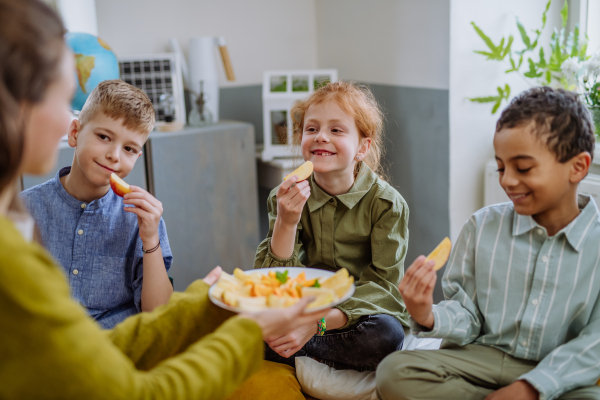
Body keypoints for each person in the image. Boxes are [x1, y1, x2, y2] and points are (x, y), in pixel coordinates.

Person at [0, 0, 328, 398]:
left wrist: (203, 303)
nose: (113, 156)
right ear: (21, 107)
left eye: (130, 149)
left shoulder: (27, 223)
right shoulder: (15, 239)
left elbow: (108, 344)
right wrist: (246, 331)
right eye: (61, 96)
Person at [377, 87, 600, 400]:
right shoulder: (481, 227)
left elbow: (594, 343)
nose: (507, 180)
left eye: (522, 168)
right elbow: (467, 315)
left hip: (556, 370)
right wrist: (427, 314)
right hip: (480, 359)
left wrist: (532, 389)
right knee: (394, 372)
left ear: (578, 167)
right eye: (501, 167)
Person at [254, 81, 409, 372]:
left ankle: (300, 351)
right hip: (300, 309)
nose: (320, 137)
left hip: (352, 317)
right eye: (311, 129)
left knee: (387, 334)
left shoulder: (387, 204)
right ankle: (311, 352)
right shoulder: (283, 196)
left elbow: (384, 290)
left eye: (336, 130)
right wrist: (287, 221)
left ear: (363, 147)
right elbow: (271, 280)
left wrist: (316, 324)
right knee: (239, 320)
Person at [21, 79, 173, 328]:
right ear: (75, 133)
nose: (114, 155)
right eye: (104, 137)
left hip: (118, 349)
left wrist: (150, 239)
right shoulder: (25, 208)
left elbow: (160, 316)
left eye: (129, 149)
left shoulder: (142, 219)